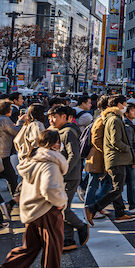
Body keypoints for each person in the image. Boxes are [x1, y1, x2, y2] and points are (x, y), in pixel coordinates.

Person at [0, 130, 69, 268]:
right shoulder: (50, 162)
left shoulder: (33, 160)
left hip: (31, 210)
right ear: (55, 144)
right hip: (47, 210)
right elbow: (49, 188)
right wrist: (60, 203)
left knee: (29, 248)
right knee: (53, 245)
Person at [84, 95, 135, 225]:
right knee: (117, 189)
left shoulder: (112, 118)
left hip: (116, 158)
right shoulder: (114, 119)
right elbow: (116, 142)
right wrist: (128, 149)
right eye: (124, 104)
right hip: (117, 158)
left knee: (116, 187)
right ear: (119, 104)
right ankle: (93, 208)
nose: (126, 106)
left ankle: (120, 213)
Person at [47, 106, 89, 252]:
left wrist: (63, 172)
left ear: (64, 117)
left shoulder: (69, 132)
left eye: (54, 117)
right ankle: (69, 239)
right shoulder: (58, 131)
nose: (51, 120)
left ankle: (81, 226)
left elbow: (74, 155)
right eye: (49, 117)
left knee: (61, 208)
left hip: (68, 177)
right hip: (62, 176)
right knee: (63, 208)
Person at [0, 100, 20, 208]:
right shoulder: (5, 119)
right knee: (11, 177)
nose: (11, 110)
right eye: (10, 108)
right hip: (3, 153)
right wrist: (21, 122)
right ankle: (15, 200)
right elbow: (15, 131)